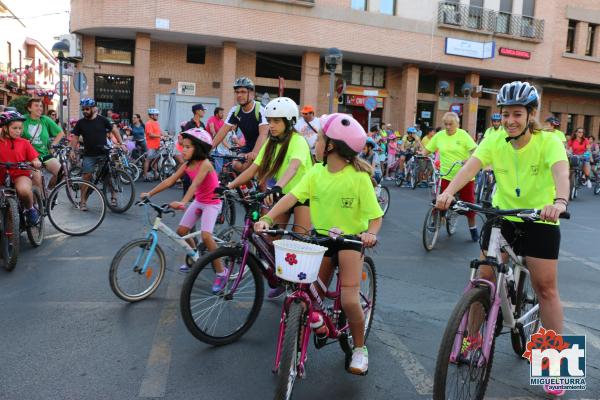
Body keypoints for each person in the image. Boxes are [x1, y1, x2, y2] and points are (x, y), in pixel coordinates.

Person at [435, 81, 569, 397]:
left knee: (546, 289)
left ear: (531, 115)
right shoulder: (495, 140)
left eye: (517, 114)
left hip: (540, 219)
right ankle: (471, 339)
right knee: (483, 277)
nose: (510, 120)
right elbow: (471, 167)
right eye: (506, 114)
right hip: (502, 218)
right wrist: (448, 192)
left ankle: (555, 367)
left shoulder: (548, 142)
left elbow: (562, 174)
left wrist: (560, 202)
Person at [254, 113, 383, 375]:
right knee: (311, 296)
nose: (316, 142)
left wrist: (370, 234)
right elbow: (291, 197)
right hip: (321, 240)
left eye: (320, 138)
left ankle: (359, 349)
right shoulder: (315, 172)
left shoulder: (358, 178)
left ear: (331, 146)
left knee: (348, 298)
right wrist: (267, 217)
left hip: (350, 241)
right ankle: (318, 328)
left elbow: (376, 217)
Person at [226, 97, 313, 296]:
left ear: (289, 121)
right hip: (281, 195)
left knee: (300, 243)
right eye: (270, 120)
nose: (271, 125)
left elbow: (294, 166)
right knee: (272, 241)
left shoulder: (297, 141)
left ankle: (303, 287)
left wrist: (278, 187)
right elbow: (252, 169)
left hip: (302, 196)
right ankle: (282, 280)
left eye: (276, 121)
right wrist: (227, 186)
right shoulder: (270, 143)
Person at [140, 128, 225, 283]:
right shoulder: (187, 164)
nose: (183, 150)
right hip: (199, 201)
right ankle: (194, 256)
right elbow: (170, 180)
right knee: (181, 231)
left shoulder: (205, 164)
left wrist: (183, 202)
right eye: (183, 146)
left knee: (206, 236)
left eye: (188, 147)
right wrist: (149, 193)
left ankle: (221, 272)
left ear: (198, 148)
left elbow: (195, 184)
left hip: (212, 203)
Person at [423, 111, 479, 241]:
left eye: (451, 124)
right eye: (446, 124)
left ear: (457, 124)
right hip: (446, 175)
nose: (448, 127)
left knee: (469, 204)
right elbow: (427, 150)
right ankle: (436, 220)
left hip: (464, 176)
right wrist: (422, 155)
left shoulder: (463, 135)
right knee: (440, 200)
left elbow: (475, 151)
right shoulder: (439, 136)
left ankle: (473, 228)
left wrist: (469, 160)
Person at [70, 98, 123, 210]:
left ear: (93, 109)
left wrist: (121, 143)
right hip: (89, 155)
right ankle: (83, 201)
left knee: (107, 176)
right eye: (83, 109)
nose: (84, 111)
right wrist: (72, 150)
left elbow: (114, 129)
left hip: (104, 154)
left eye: (87, 109)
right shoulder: (80, 123)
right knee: (87, 177)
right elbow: (75, 137)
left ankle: (113, 196)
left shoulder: (102, 120)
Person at [213, 77, 269, 171]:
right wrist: (208, 149)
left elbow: (263, 134)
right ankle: (247, 185)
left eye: (243, 92)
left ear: (251, 93)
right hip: (248, 146)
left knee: (260, 179)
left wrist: (254, 153)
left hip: (264, 146)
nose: (239, 95)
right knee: (236, 165)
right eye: (237, 92)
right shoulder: (235, 110)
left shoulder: (260, 109)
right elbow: (222, 131)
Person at [0, 110, 42, 225]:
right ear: (5, 128)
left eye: (20, 128)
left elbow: (34, 158)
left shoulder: (24, 143)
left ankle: (30, 209)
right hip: (1, 175)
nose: (18, 131)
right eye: (14, 128)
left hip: (20, 173)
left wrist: (35, 162)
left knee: (23, 190)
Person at [22, 98, 64, 189]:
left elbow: (60, 133)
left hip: (44, 154)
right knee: (37, 181)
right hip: (29, 157)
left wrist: (53, 145)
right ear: (29, 108)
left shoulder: (45, 119)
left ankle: (50, 191)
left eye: (41, 106)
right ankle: (38, 201)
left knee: (61, 172)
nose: (40, 108)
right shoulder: (23, 119)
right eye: (36, 106)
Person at [144, 108, 165, 181]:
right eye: (156, 115)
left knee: (156, 159)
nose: (157, 116)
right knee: (148, 160)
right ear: (152, 115)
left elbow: (159, 131)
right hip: (150, 145)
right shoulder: (149, 123)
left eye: (157, 115)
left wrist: (166, 135)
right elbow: (150, 134)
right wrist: (160, 136)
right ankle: (145, 175)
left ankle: (155, 173)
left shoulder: (156, 123)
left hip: (157, 144)